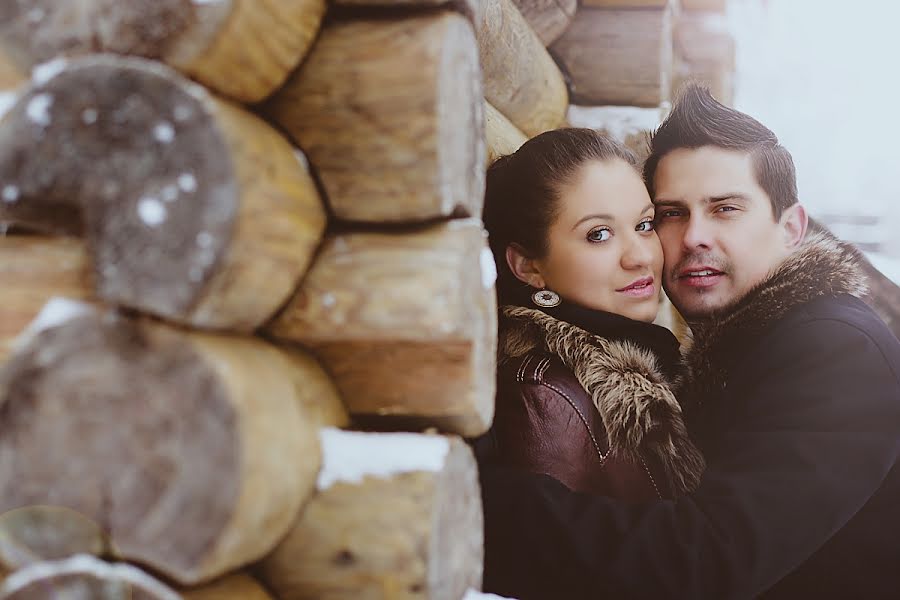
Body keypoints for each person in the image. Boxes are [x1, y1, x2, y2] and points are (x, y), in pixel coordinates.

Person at [477, 85, 900, 600]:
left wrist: (473, 500)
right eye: (671, 214)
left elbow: (705, 558)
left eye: (725, 209)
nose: (694, 236)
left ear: (790, 228)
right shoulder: (737, 350)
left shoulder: (836, 351)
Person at [474, 128, 704, 501]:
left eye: (644, 225)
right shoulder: (543, 397)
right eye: (599, 234)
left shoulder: (649, 361)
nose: (641, 257)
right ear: (528, 265)